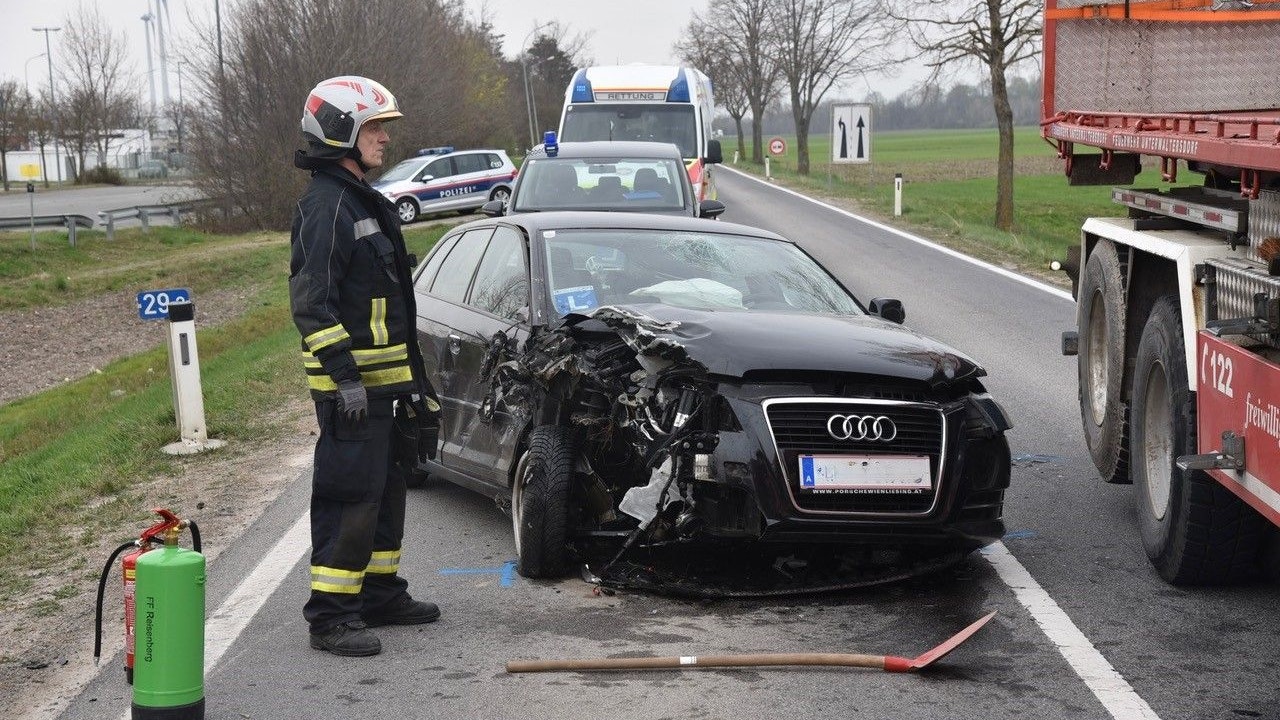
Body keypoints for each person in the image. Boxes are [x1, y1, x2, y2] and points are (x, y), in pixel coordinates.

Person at [289, 75, 441, 657]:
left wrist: (415, 386)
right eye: (375, 127)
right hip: (351, 390)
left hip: (384, 387)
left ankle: (378, 594)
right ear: (341, 130)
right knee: (349, 496)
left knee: (385, 492)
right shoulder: (326, 206)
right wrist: (346, 378)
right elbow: (312, 302)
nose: (385, 138)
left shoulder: (358, 198)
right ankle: (331, 616)